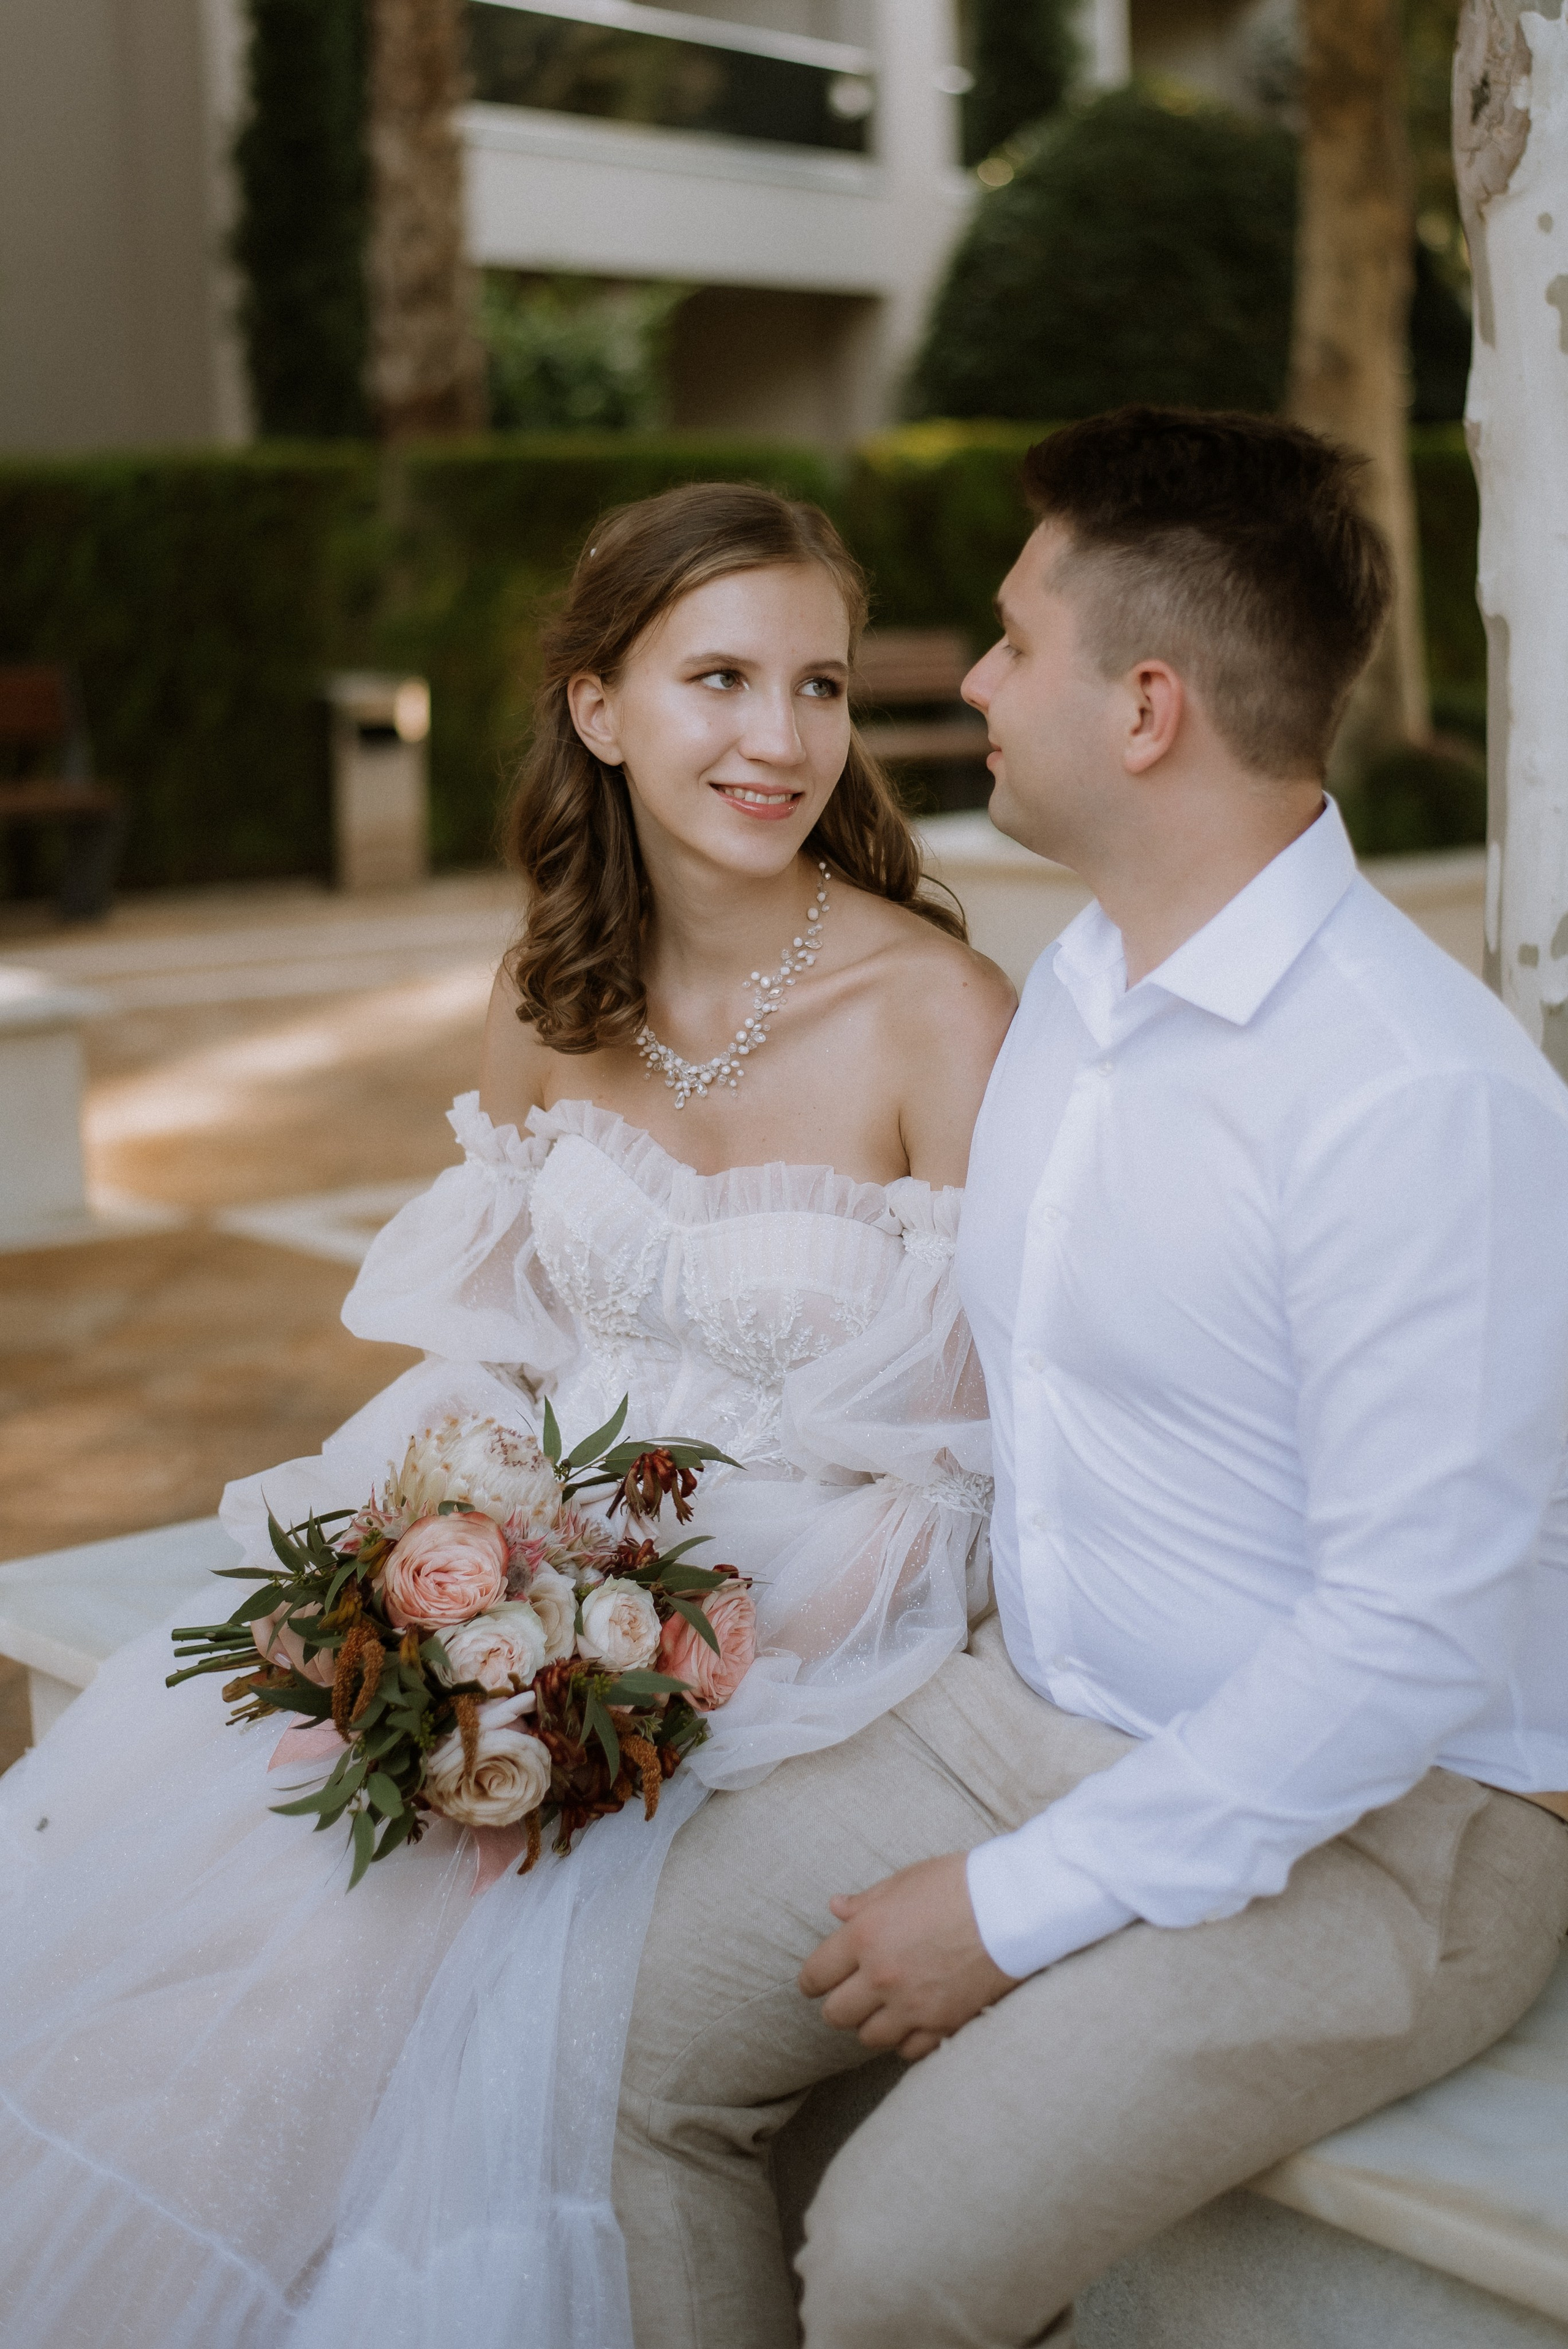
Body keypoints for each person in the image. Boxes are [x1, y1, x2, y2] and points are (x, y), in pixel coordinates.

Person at [0, 482, 1014, 2349]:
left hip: (795, 1628)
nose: (781, 738)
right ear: (596, 703)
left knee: (403, 1955)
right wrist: (434, 1581)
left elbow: (979, 1464)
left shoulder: (938, 1015)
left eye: (819, 684)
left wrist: (647, 1659)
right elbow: (511, 1366)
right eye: (719, 677)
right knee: (257, 1914)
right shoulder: (549, 996)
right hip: (541, 1588)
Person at [612, 409, 1568, 2349]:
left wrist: (1017, 1902)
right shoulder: (1073, 990)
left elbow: (1409, 1641)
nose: (966, 679)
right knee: (619, 2058)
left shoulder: (1414, 1094)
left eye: (1012, 640)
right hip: (1029, 1713)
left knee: (894, 2263)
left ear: (1145, 710)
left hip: (1391, 1829)